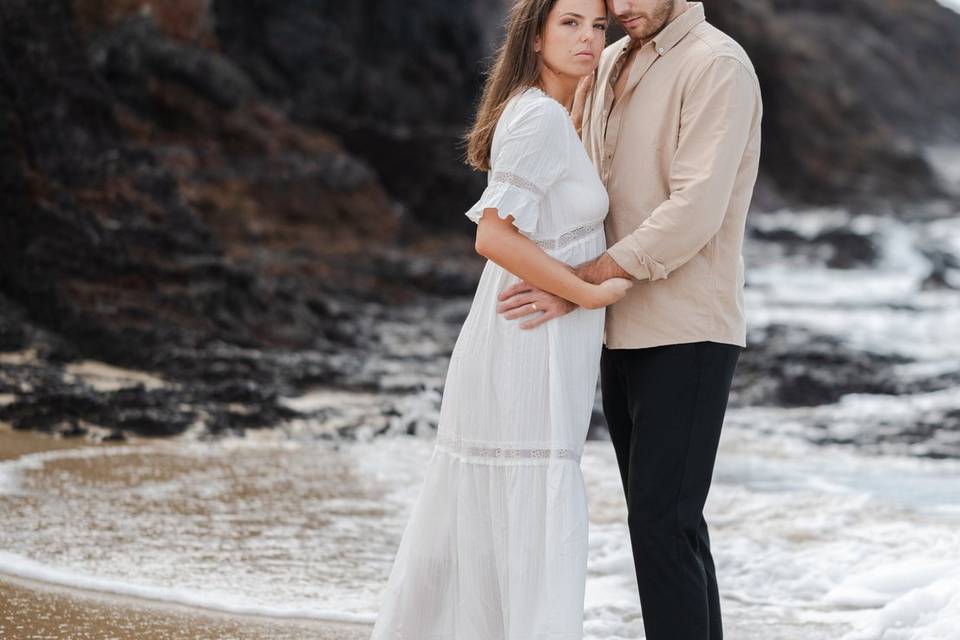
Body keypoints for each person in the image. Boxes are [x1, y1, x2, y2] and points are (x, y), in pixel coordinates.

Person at [496, 1, 763, 638]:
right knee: (671, 525)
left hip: (687, 327)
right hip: (614, 326)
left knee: (661, 525)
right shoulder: (613, 60)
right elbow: (583, 193)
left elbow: (694, 210)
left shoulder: (716, 65)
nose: (622, 7)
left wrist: (579, 284)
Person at [369, 0, 630, 638]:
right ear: (535, 36)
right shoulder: (538, 116)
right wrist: (588, 294)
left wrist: (575, 293)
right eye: (569, 23)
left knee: (518, 502)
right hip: (524, 340)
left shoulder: (557, 115)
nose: (588, 39)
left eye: (598, 26)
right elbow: (492, 235)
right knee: (526, 491)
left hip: (539, 334)